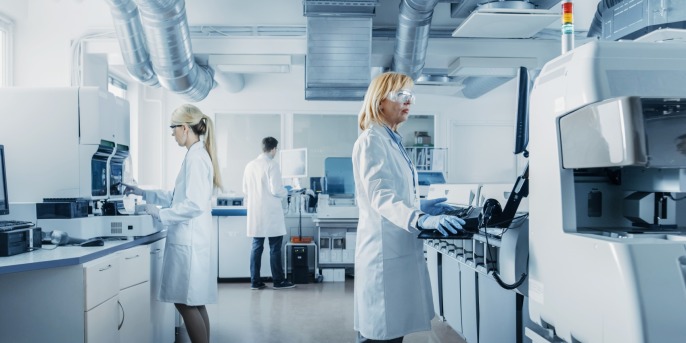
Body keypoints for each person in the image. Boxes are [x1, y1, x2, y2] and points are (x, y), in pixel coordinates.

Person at [352, 72, 465, 343]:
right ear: (380, 102)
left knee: (393, 332)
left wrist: (421, 205)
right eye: (401, 96)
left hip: (397, 250)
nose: (409, 101)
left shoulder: (391, 140)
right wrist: (420, 218)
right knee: (380, 334)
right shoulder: (372, 140)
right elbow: (380, 194)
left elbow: (396, 192)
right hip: (382, 255)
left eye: (410, 96)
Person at [123, 104, 221, 343]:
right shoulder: (196, 155)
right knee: (194, 302)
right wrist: (143, 193)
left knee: (185, 302)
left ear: (185, 128)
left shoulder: (196, 158)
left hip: (189, 240)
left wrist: (160, 214)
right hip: (193, 239)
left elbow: (194, 204)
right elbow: (176, 196)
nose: (172, 133)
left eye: (173, 128)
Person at [242, 137, 296, 290]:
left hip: (256, 213)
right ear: (273, 149)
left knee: (256, 246)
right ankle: (278, 281)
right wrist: (288, 190)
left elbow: (245, 190)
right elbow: (276, 190)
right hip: (270, 213)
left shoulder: (249, 166)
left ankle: (255, 282)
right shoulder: (272, 165)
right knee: (275, 248)